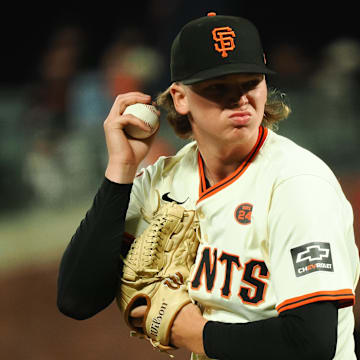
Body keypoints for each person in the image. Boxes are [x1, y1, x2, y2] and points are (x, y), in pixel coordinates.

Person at [57, 12, 360, 359]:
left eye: (250, 82)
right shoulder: (166, 179)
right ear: (180, 97)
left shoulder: (296, 184)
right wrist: (121, 170)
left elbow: (313, 343)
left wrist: (192, 332)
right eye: (219, 87)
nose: (240, 98)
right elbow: (76, 299)